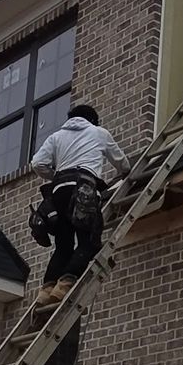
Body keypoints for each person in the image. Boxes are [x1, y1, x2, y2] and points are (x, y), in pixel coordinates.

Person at [27, 102, 130, 302]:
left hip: (58, 191)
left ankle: (45, 291)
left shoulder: (56, 137)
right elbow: (122, 163)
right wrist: (125, 173)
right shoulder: (99, 133)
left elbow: (37, 163)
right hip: (84, 189)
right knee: (89, 242)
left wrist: (54, 175)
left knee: (63, 245)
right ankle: (64, 285)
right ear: (92, 120)